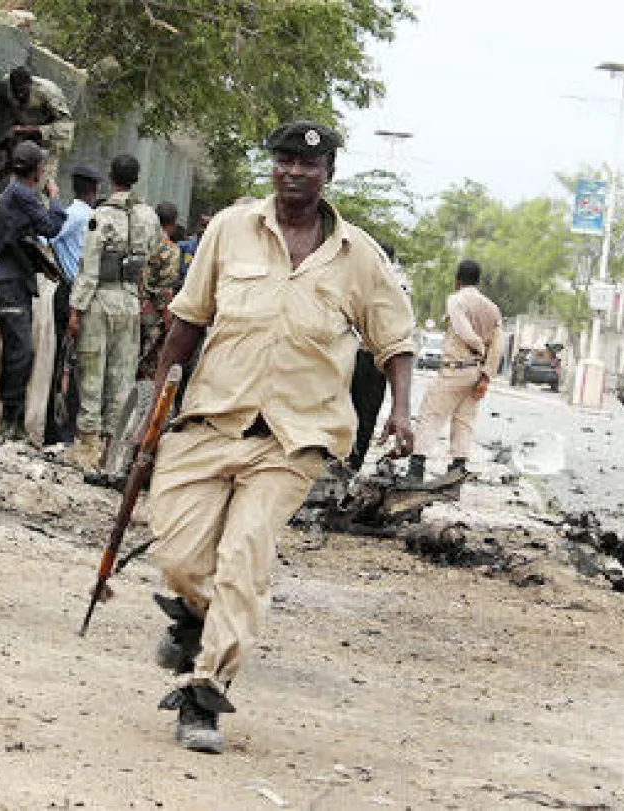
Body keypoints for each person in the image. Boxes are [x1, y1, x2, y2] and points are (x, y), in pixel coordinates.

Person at [140, 122, 417, 753]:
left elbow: (396, 341)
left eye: (308, 164)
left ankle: (204, 694)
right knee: (180, 557)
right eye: (284, 160)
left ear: (328, 174)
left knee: (244, 558)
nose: (294, 172)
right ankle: (196, 617)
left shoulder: (358, 257)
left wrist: (402, 412)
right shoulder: (229, 230)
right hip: (211, 421)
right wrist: (154, 407)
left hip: (292, 441)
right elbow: (187, 322)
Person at [66, 155, 160, 470]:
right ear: (137, 178)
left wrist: (76, 309)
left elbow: (89, 267)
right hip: (130, 300)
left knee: (92, 371)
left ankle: (87, 447)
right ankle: (112, 450)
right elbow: (152, 254)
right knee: (122, 376)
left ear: (111, 177)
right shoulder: (149, 216)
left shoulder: (101, 215)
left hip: (100, 300)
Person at [0, 141, 67, 441]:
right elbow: (51, 228)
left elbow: (22, 238)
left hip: (15, 278)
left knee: (19, 352)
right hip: (9, 281)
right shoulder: (23, 195)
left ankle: (14, 421)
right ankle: (9, 421)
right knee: (20, 351)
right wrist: (55, 199)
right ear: (36, 170)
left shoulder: (16, 193)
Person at [408, 258, 503, 481]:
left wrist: (478, 347)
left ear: (458, 280)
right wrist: (486, 375)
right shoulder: (492, 308)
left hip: (454, 370)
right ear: (478, 281)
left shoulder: (455, 300)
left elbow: (463, 330)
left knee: (430, 415)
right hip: (476, 373)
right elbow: (498, 346)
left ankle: (416, 469)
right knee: (464, 422)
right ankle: (456, 473)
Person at [44, 164, 102, 446]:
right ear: (94, 190)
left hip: (72, 293)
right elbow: (48, 235)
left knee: (67, 363)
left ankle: (60, 431)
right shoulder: (80, 215)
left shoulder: (80, 214)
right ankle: (61, 433)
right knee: (69, 365)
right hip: (73, 295)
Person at [0, 66, 75, 198]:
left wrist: (28, 130)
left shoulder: (48, 92)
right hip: (23, 127)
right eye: (17, 91)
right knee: (16, 159)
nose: (20, 95)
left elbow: (65, 128)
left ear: (30, 85)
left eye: (23, 91)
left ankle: (43, 201)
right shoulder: (5, 85)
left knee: (43, 181)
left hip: (49, 136)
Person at [345, 241, 396, 471]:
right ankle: (351, 463)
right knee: (364, 416)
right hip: (371, 358)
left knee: (353, 412)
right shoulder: (396, 290)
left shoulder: (357, 281)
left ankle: (347, 463)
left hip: (361, 356)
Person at [138, 201, 184, 379]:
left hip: (132, 307)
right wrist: (168, 319)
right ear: (173, 223)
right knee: (150, 367)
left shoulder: (140, 241)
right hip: (153, 318)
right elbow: (166, 289)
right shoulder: (171, 250)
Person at [175, 208, 213, 286]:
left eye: (209, 226)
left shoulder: (218, 252)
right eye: (203, 225)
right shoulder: (181, 247)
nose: (205, 230)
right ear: (197, 225)